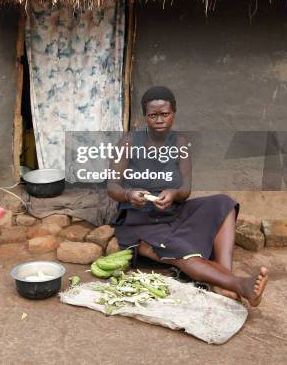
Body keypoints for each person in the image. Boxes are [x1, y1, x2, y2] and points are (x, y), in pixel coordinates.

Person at [107, 86, 269, 306]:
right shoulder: (129, 142)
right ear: (145, 116)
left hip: (174, 211)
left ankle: (223, 277)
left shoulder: (180, 144)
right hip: (140, 220)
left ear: (173, 113)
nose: (159, 120)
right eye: (153, 115)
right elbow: (112, 186)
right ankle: (240, 285)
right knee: (181, 249)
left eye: (165, 114)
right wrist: (129, 194)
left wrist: (173, 194)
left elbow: (186, 189)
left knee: (223, 203)